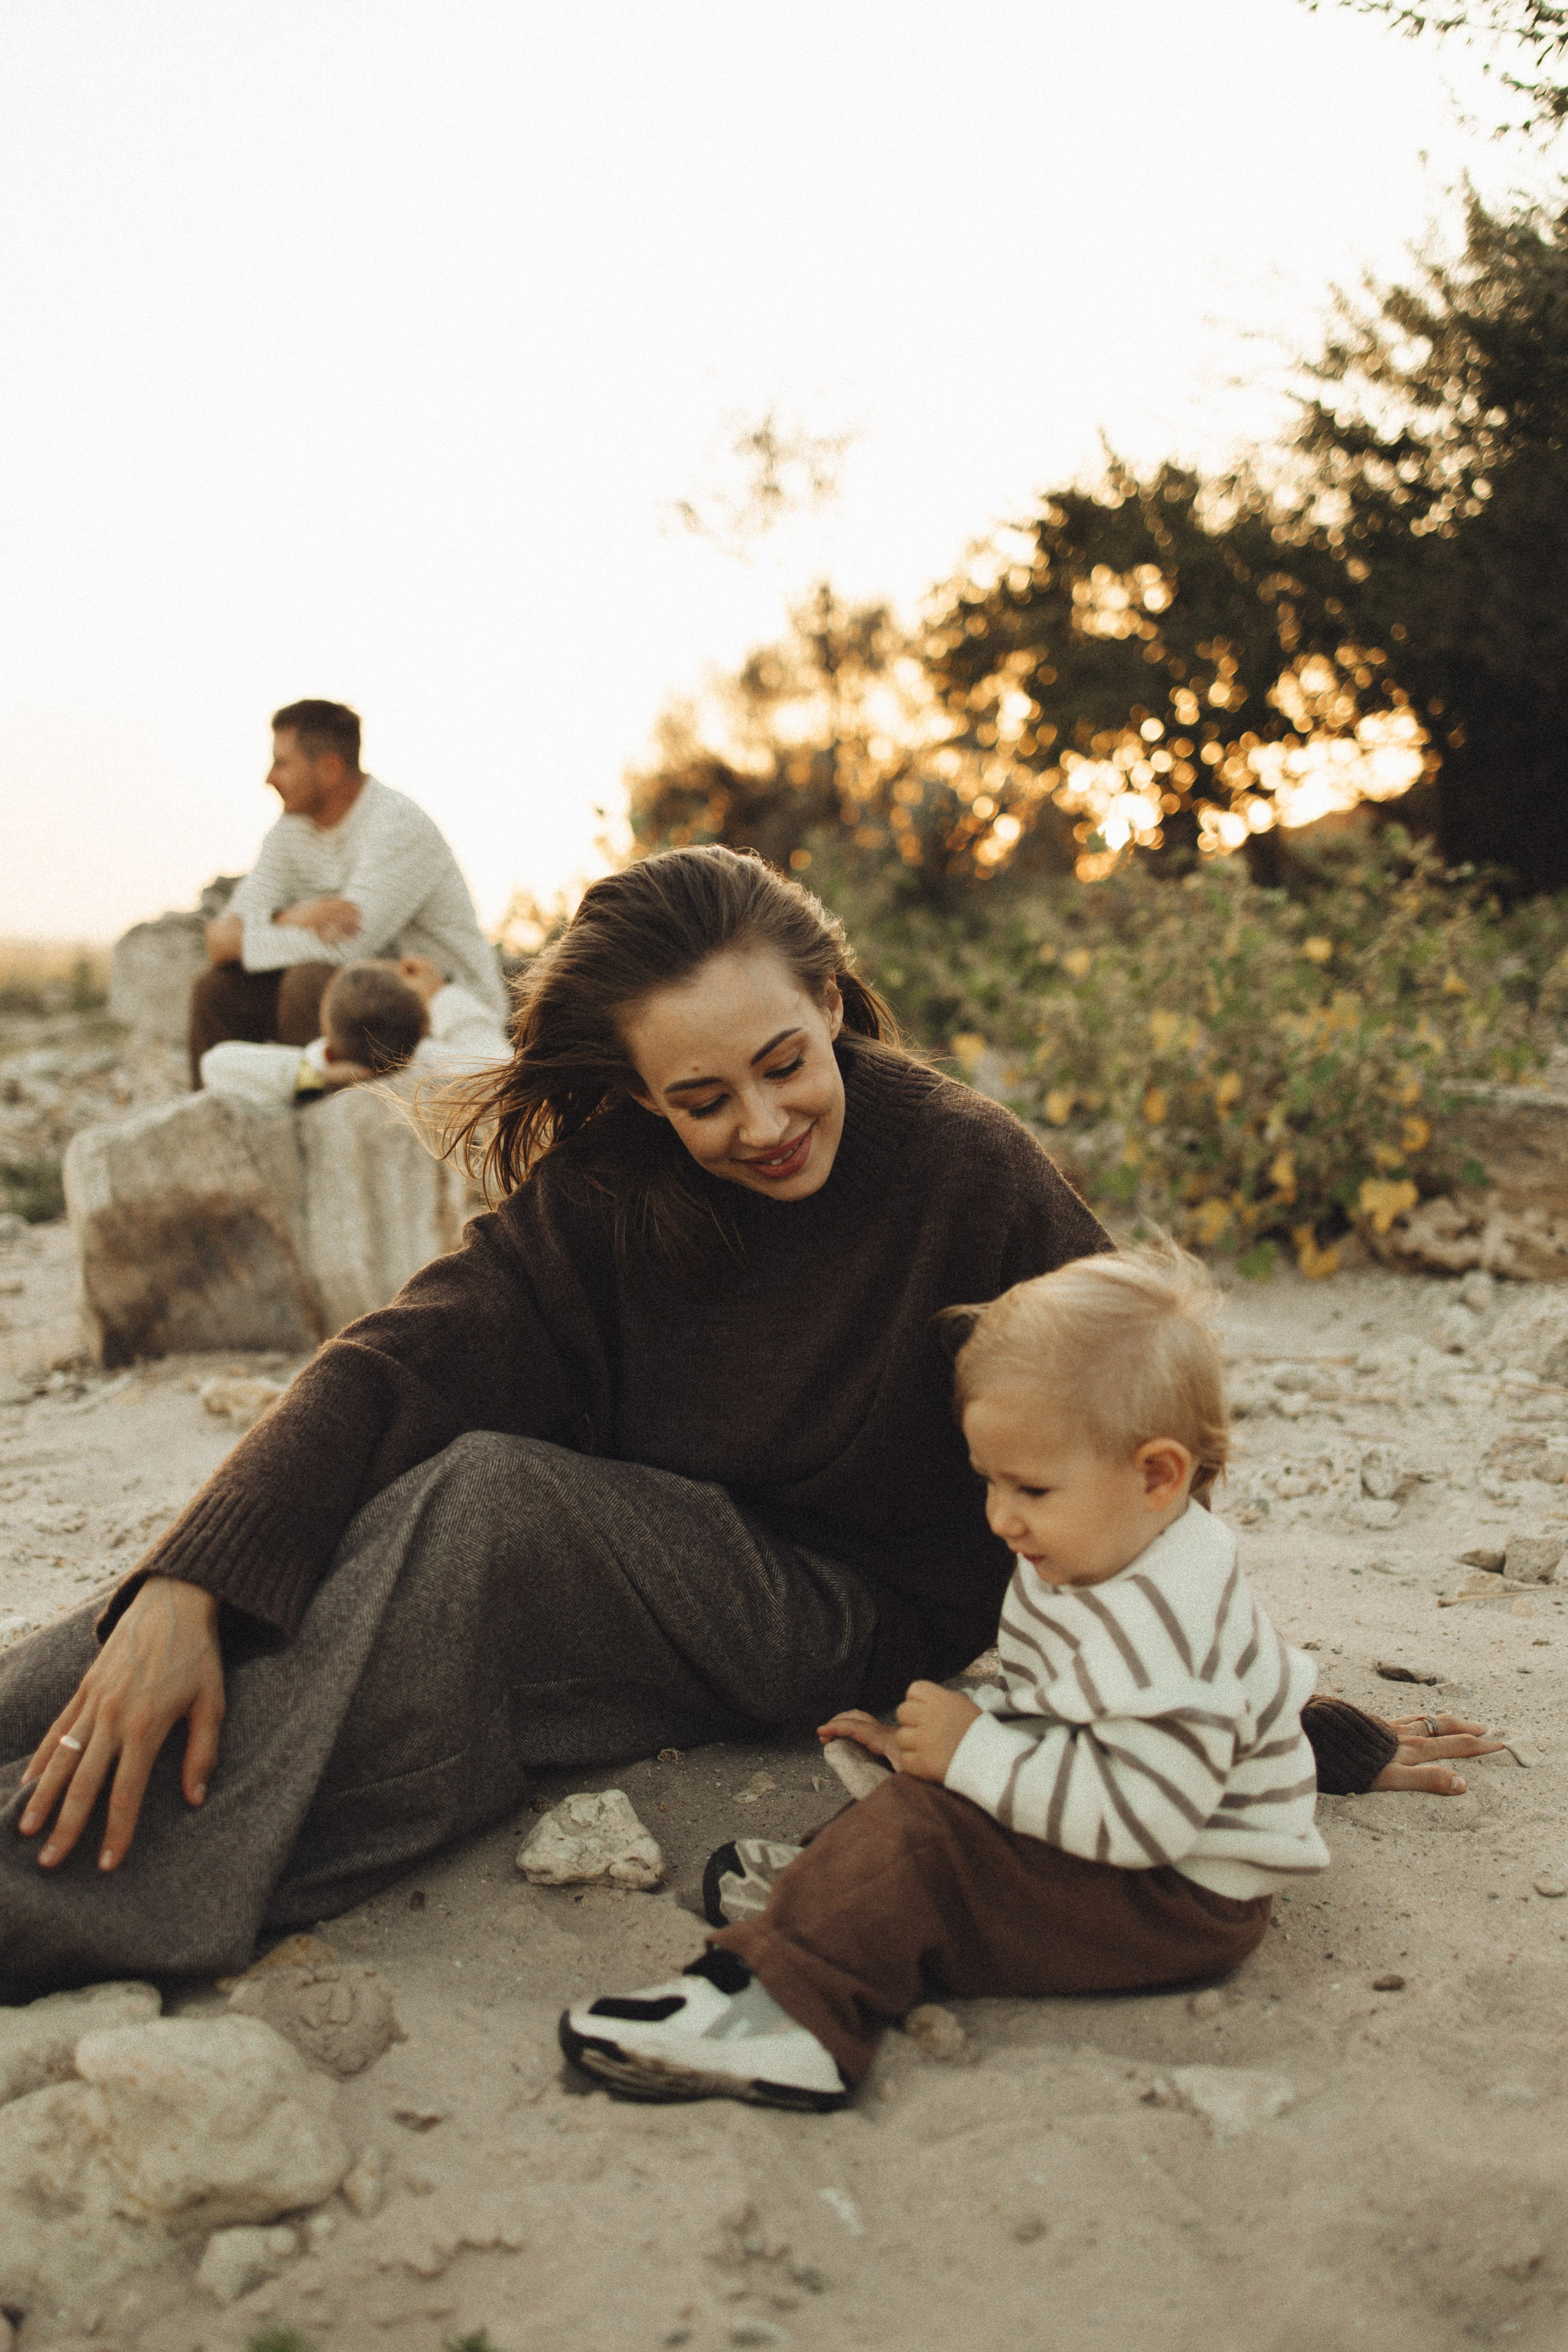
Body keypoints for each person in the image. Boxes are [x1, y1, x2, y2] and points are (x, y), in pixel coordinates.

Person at [0, 848, 1499, 1988]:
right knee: (337, 1513)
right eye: (702, 1096)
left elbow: (1141, 1451)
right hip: (657, 1555)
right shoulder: (611, 1193)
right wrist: (182, 1590)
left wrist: (1280, 1717)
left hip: (846, 1611)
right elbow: (396, 1361)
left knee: (481, 1507)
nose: (762, 1123)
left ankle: (67, 1886)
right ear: (646, 1097)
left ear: (831, 1002)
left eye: (784, 1064)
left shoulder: (965, 1174)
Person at [559, 1245, 1329, 2109]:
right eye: (988, 1482)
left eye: (1031, 1489)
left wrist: (974, 1760)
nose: (1001, 1517)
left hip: (1178, 1896)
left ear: (1156, 1475)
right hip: (1126, 1839)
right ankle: (837, 1895)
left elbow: (1145, 1819)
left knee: (929, 1833)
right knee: (921, 1795)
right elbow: (1062, 1709)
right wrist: (939, 1745)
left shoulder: (1164, 1622)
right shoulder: (1097, 1546)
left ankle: (794, 2013)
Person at [188, 699, 505, 1086]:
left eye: (283, 764)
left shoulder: (396, 825)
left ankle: (325, 1113)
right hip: (365, 1001)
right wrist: (293, 916)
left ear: (330, 769)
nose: (269, 778)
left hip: (443, 1008)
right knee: (218, 989)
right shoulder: (290, 831)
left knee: (311, 983)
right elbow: (220, 941)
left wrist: (253, 933)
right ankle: (218, 1120)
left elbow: (346, 949)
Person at [197, 955, 510, 1107]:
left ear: (330, 1046)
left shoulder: (317, 1076)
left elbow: (216, 1065)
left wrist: (316, 1073)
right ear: (426, 1024)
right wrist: (441, 993)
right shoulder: (431, 1067)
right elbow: (501, 1069)